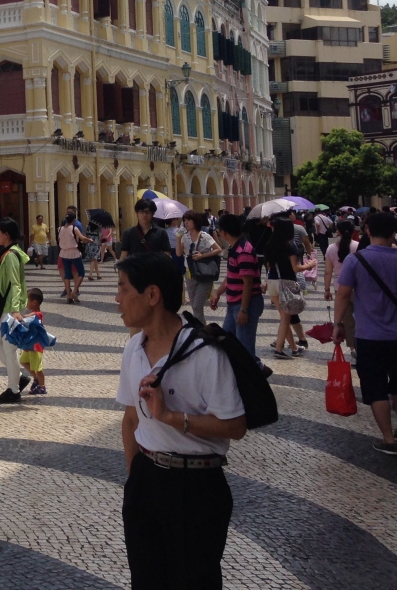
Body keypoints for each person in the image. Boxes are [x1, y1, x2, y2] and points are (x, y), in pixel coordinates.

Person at [116, 251, 247, 590]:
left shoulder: (205, 352)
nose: (117, 298)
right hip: (146, 480)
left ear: (152, 295)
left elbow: (235, 426)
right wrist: (135, 476)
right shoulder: (133, 348)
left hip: (197, 486)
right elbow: (131, 418)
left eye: (123, 288)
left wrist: (170, 417)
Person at [334, 210, 397, 455]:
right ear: (393, 234)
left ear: (367, 231)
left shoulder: (356, 260)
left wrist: (338, 324)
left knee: (376, 386)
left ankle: (388, 439)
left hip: (368, 336)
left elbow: (343, 295)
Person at [210, 212, 270, 377]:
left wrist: (244, 310)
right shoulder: (235, 248)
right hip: (234, 303)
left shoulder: (243, 251)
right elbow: (231, 276)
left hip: (246, 304)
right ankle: (255, 369)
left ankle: (253, 377)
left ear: (223, 232)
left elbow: (248, 282)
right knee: (227, 340)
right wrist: (217, 293)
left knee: (244, 347)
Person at [0, 217, 31, 403]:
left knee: (9, 348)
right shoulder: (10, 253)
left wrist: (15, 310)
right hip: (6, 306)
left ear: (6, 234)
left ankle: (13, 390)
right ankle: (19, 377)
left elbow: (15, 284)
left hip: (11, 307)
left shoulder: (10, 256)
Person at [263, 217, 306, 359]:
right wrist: (309, 265)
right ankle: (279, 349)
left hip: (272, 282)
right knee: (285, 318)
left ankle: (294, 348)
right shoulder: (290, 245)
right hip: (286, 283)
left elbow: (268, 266)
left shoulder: (269, 244)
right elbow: (296, 268)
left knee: (284, 318)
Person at [177, 211, 222, 325]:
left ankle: (202, 330)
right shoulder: (185, 237)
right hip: (190, 274)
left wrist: (203, 255)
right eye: (184, 220)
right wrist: (178, 238)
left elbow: (218, 249)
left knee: (197, 305)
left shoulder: (204, 236)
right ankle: (201, 329)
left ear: (195, 221)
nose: (186, 223)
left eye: (188, 220)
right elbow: (178, 253)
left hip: (204, 274)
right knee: (195, 306)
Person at [326, 219, 359, 359]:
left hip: (339, 288)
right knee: (361, 318)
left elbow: (328, 271)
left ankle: (353, 348)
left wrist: (326, 289)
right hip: (357, 287)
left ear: (338, 231)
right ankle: (362, 344)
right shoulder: (358, 246)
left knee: (347, 321)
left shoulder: (331, 248)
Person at [19, 287, 48, 395]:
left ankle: (42, 386)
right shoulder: (33, 313)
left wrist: (22, 317)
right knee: (23, 361)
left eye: (27, 300)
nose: (25, 302)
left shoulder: (38, 314)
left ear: (34, 302)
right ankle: (36, 378)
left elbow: (29, 316)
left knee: (38, 367)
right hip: (29, 345)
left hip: (36, 346)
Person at [56, 214, 88, 303]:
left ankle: (68, 295)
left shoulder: (60, 229)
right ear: (74, 220)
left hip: (63, 253)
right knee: (81, 272)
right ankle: (74, 291)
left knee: (67, 274)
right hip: (74, 253)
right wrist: (89, 240)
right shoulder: (74, 228)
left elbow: (59, 240)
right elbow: (82, 238)